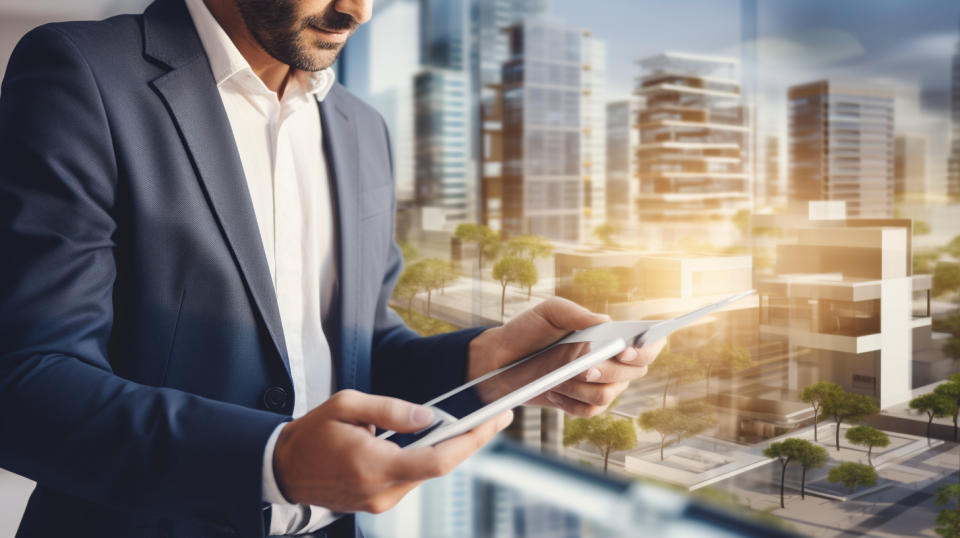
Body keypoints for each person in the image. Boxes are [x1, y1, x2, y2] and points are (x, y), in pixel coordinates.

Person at [0, 0, 663, 536]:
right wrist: (271, 460)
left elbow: (349, 354)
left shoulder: (360, 126)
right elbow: (25, 382)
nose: (359, 11)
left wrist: (487, 363)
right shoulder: (84, 72)